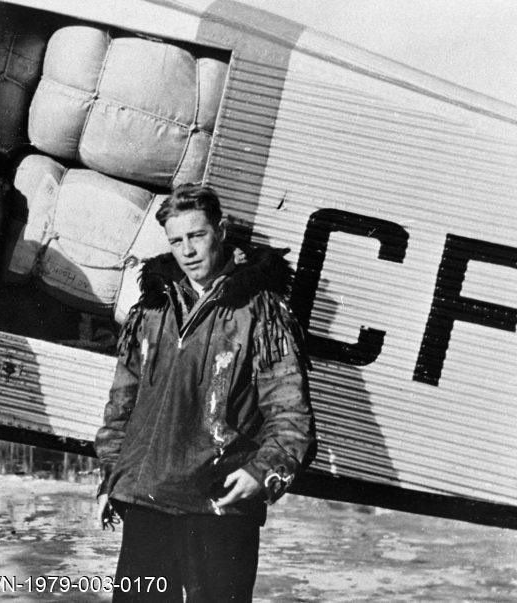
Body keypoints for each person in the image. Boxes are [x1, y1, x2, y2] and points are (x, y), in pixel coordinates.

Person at [94, 183, 316, 602]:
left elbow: (292, 417)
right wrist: (112, 477)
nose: (188, 251)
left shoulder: (262, 312)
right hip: (148, 501)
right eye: (176, 241)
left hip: (219, 506)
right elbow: (121, 408)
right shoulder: (152, 310)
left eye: (197, 236)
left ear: (221, 229)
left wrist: (260, 472)